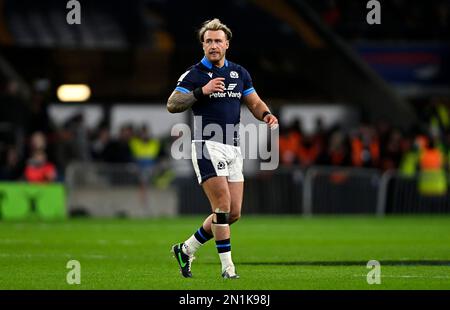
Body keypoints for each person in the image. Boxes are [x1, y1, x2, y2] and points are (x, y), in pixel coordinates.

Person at [167, 18, 278, 279]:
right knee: (222, 207)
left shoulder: (239, 73)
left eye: (218, 41)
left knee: (234, 213)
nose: (213, 45)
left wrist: (266, 115)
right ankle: (228, 270)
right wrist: (200, 91)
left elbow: (254, 101)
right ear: (203, 45)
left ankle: (186, 249)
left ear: (227, 44)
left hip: (233, 147)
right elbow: (172, 104)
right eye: (208, 41)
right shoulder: (194, 74)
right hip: (206, 145)